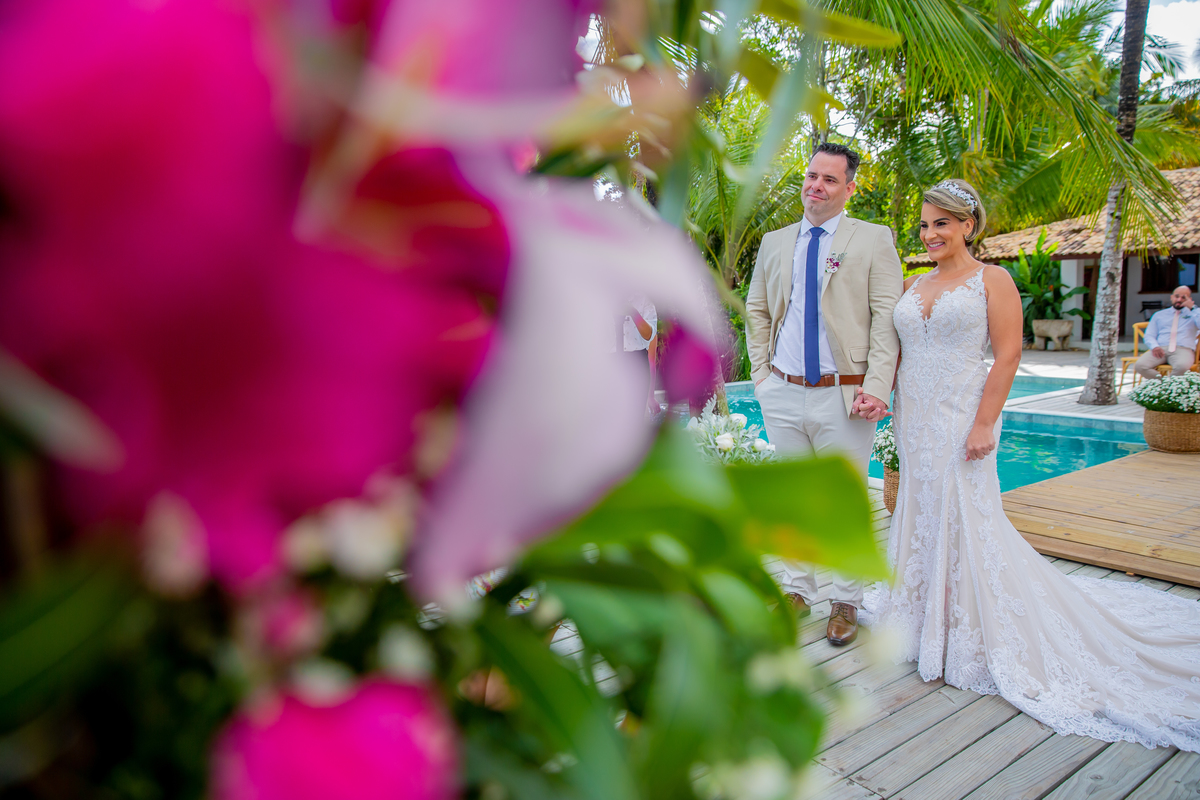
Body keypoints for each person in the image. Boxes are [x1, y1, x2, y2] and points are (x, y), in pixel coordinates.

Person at [863, 179, 1200, 752]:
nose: (930, 233)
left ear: (969, 224)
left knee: (967, 514)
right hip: (915, 418)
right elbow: (898, 351)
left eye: (941, 223)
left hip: (959, 415)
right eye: (924, 225)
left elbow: (1009, 352)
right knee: (921, 509)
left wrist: (982, 424)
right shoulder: (915, 281)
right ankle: (922, 617)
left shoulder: (993, 280)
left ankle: (968, 628)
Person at [745, 142, 903, 646]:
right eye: (812, 175)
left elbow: (887, 319)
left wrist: (876, 386)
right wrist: (763, 377)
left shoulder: (874, 239)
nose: (816, 185)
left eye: (829, 179)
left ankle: (845, 600)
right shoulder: (775, 242)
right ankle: (795, 589)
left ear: (849, 188)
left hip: (845, 395)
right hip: (783, 391)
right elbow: (757, 311)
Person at [1134, 285, 1198, 381]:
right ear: (1171, 297)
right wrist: (1154, 346)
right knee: (1140, 366)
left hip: (1183, 349)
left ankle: (1167, 387)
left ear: (1189, 299)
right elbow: (1149, 335)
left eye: (1183, 297)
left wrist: (1192, 308)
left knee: (1182, 367)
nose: (1179, 300)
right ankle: (1165, 384)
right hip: (1160, 349)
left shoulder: (1194, 314)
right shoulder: (1159, 315)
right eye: (1177, 296)